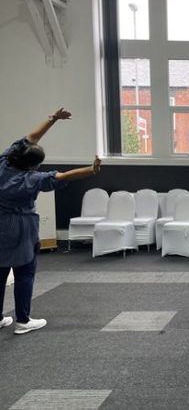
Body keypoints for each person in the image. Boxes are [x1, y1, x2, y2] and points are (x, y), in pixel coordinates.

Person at [0, 108, 102, 335]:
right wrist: (91, 170)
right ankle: (23, 321)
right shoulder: (31, 180)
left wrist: (53, 119)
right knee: (24, 273)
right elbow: (63, 176)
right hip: (20, 229)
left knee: (0, 271)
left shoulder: (5, 160)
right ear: (32, 166)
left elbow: (32, 137)